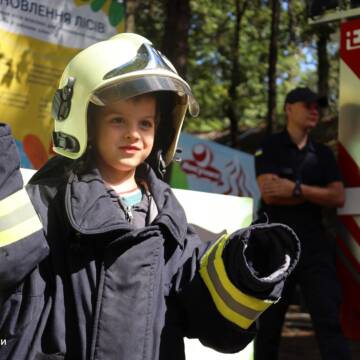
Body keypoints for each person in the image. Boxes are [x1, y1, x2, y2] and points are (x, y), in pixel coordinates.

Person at [0, 33, 300, 360]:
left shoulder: (168, 217)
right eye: (118, 120)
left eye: (145, 123)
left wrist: (246, 269)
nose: (133, 134)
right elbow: (10, 266)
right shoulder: (48, 199)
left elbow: (208, 313)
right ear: (83, 121)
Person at [254, 87, 351, 360]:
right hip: (274, 244)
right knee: (267, 325)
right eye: (307, 104)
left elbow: (338, 196)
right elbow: (270, 193)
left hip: (314, 246)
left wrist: (295, 189)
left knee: (329, 320)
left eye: (317, 106)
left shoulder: (322, 154)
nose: (314, 110)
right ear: (288, 108)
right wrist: (315, 194)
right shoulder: (269, 146)